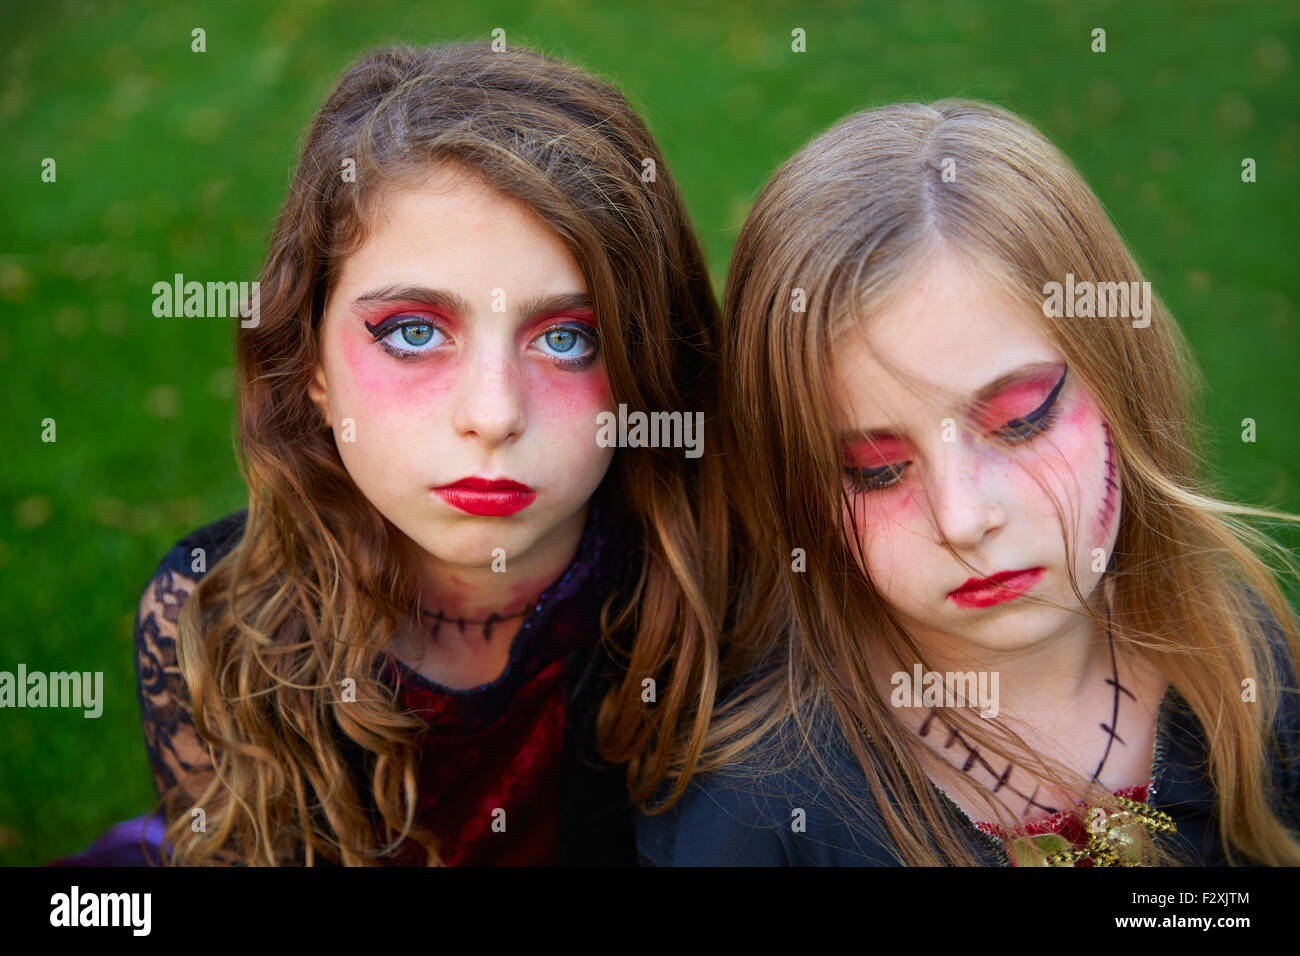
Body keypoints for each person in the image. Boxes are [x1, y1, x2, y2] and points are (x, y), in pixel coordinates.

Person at [60, 41, 728, 866]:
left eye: (567, 337)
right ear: (309, 360)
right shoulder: (216, 620)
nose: (493, 415)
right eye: (413, 333)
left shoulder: (721, 609)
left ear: (646, 364)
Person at [637, 100, 1300, 866]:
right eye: (875, 471)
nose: (963, 518)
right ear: (794, 488)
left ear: (1124, 380)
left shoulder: (1242, 661)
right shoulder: (755, 820)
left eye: (1020, 422)